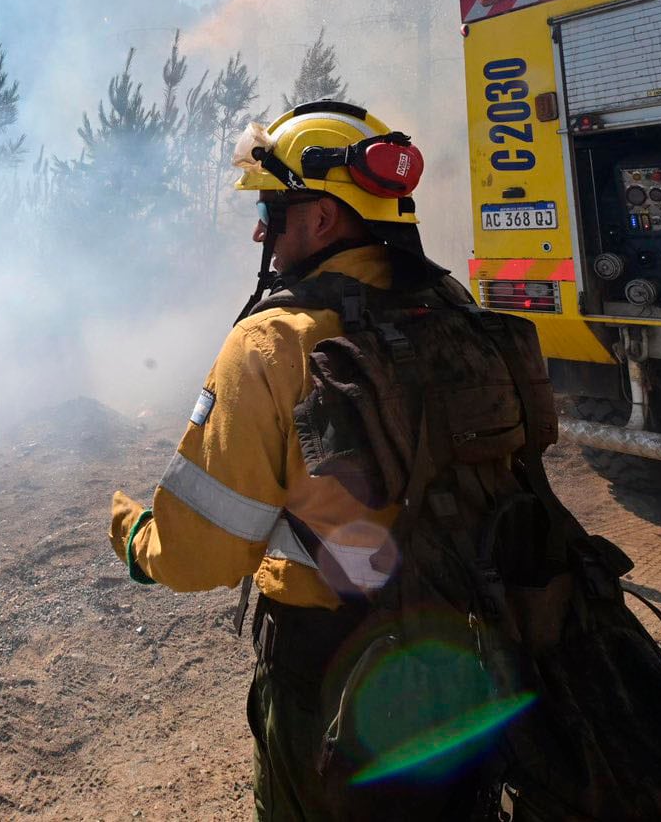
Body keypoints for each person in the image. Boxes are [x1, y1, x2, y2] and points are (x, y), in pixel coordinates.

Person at [107, 101, 522, 820]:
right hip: (471, 645)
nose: (263, 231)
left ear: (325, 218)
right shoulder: (454, 306)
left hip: (333, 663)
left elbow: (201, 553)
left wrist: (139, 538)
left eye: (273, 209)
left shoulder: (274, 341)